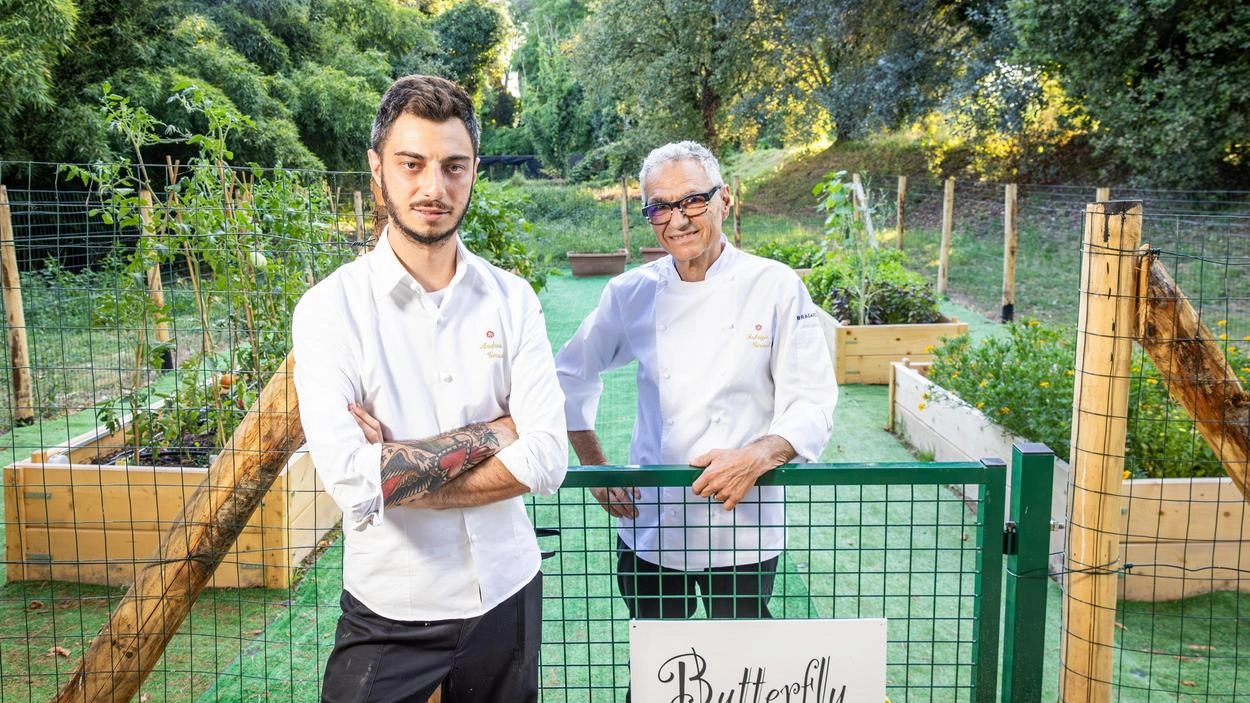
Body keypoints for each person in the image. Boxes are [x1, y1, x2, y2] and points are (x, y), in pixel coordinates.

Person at [292, 74, 568, 703]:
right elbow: (349, 478)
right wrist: (499, 432)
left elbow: (549, 456)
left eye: (453, 166)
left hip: (506, 588)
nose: (433, 188)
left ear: (474, 171)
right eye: (411, 163)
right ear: (376, 168)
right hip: (393, 600)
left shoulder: (512, 298)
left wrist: (400, 473)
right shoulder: (330, 310)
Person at [554, 141, 837, 624]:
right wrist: (596, 468)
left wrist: (758, 455)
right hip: (653, 523)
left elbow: (812, 399)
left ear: (724, 198)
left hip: (744, 524)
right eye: (659, 207)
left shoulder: (775, 286)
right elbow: (570, 374)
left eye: (692, 200)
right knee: (657, 669)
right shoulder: (631, 291)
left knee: (747, 670)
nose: (678, 219)